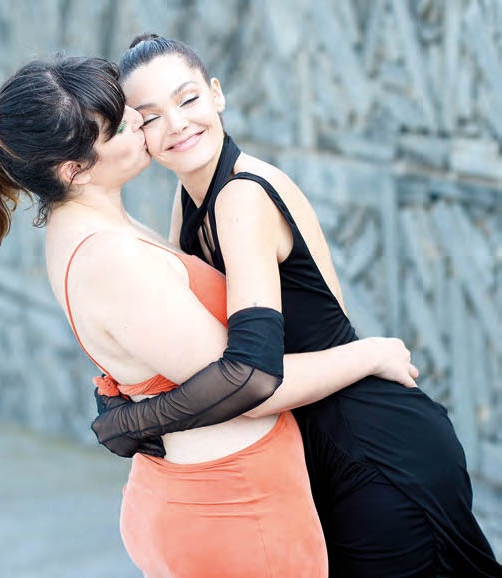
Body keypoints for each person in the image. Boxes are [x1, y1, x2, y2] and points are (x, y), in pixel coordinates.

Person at [0, 56, 420, 578]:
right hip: (234, 511)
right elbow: (250, 385)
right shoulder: (111, 258)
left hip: (219, 498)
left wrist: (133, 414)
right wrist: (371, 354)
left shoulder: (100, 226)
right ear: (75, 170)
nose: (140, 121)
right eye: (120, 125)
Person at [91, 35, 502, 578]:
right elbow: (180, 339)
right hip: (317, 452)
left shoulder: (242, 196)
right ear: (136, 133)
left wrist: (137, 419)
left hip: (372, 448)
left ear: (216, 94)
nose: (177, 124)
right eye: (150, 117)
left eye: (188, 99)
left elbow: (249, 379)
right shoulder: (190, 198)